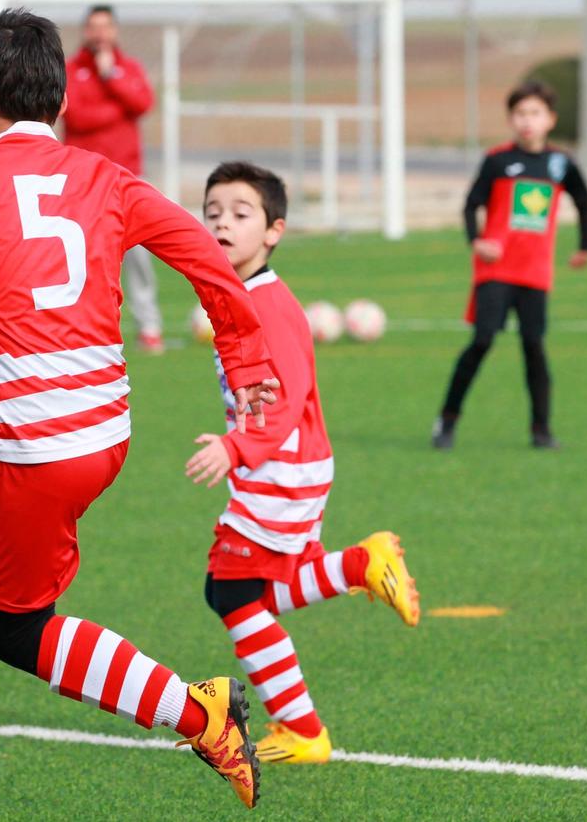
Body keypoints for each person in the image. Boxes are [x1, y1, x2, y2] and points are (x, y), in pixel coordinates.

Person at [0, 9, 282, 809]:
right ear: (61, 99)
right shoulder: (106, 178)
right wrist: (244, 357)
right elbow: (205, 256)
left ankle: (196, 710)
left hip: (34, 448)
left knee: (14, 626)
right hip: (100, 429)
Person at [185, 161, 419, 765]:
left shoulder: (269, 304)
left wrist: (235, 446)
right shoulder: (239, 295)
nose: (222, 224)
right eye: (212, 214)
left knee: (230, 590)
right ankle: (361, 564)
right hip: (285, 465)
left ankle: (302, 730)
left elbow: (284, 400)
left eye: (240, 214)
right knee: (257, 589)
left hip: (281, 467)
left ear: (273, 231)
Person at [432, 81, 587, 451]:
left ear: (550, 119)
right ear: (511, 119)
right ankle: (447, 419)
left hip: (535, 271)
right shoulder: (498, 161)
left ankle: (541, 430)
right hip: (496, 269)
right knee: (483, 341)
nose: (527, 121)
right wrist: (477, 241)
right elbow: (471, 203)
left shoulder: (559, 163)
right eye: (520, 114)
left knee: (534, 346)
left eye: (535, 113)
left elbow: (583, 201)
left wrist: (585, 247)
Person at [63, 5, 164, 353]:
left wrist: (112, 79)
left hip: (127, 177)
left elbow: (143, 102)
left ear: (115, 31)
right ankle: (87, 331)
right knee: (84, 256)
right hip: (83, 179)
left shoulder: (127, 68)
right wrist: (117, 111)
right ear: (84, 32)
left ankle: (149, 326)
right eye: (93, 27)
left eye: (105, 27)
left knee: (137, 255)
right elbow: (76, 116)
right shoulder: (70, 71)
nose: (99, 34)